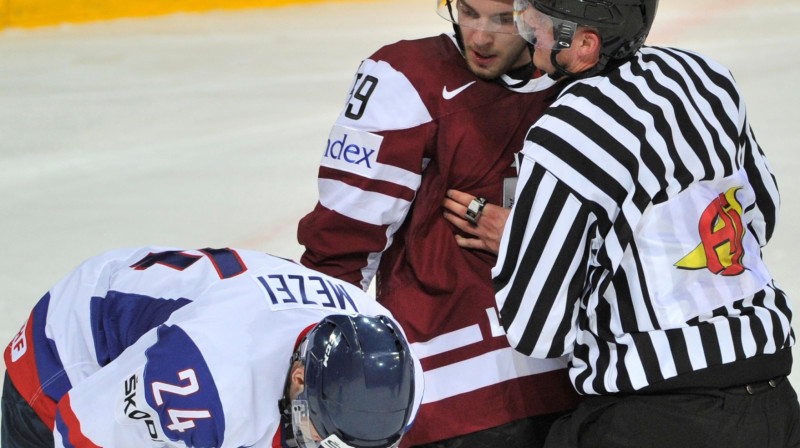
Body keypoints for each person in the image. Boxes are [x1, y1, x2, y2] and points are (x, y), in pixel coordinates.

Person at [491, 0, 800, 446]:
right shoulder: (706, 77)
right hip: (775, 401)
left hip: (658, 419)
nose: (528, 30)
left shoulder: (565, 133)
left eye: (540, 24)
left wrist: (524, 241)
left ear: (584, 44)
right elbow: (760, 215)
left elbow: (536, 328)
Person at [296, 0, 583, 446]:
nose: (481, 36)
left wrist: (529, 238)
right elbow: (340, 249)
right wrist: (314, 369)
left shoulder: (586, 81)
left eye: (503, 20)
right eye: (468, 11)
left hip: (575, 383)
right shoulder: (410, 79)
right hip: (454, 398)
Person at [2, 246, 424, 448]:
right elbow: (81, 433)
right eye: (324, 439)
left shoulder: (397, 374)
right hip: (71, 356)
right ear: (300, 379)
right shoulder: (204, 377)